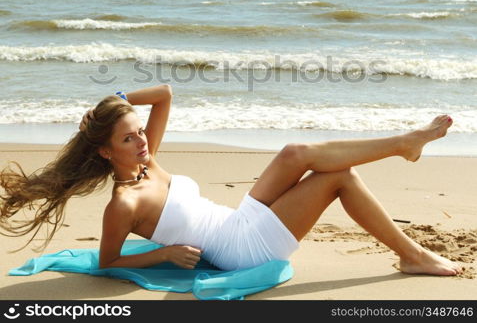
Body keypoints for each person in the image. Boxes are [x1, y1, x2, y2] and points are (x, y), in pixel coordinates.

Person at [0, 85, 461, 276]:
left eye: (140, 133)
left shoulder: (150, 161)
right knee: (337, 177)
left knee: (294, 153)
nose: (142, 142)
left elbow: (164, 95)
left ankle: (406, 143)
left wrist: (119, 97)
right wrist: (163, 253)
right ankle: (412, 254)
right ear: (105, 151)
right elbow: (108, 262)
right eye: (128, 138)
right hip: (241, 250)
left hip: (240, 218)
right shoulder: (123, 203)